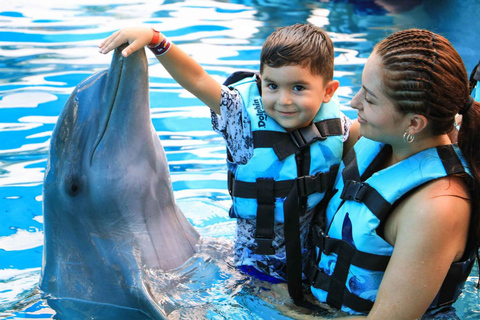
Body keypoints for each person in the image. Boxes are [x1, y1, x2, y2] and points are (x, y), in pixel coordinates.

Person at [99, 24, 359, 304]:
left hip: (315, 267)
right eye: (272, 86)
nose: (283, 100)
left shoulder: (338, 128)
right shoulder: (241, 119)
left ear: (328, 91)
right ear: (261, 82)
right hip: (257, 273)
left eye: (298, 88)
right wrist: (155, 39)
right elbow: (197, 79)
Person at [305, 28, 480, 319]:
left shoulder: (438, 206)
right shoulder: (376, 139)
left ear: (413, 123)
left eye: (370, 99)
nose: (353, 102)